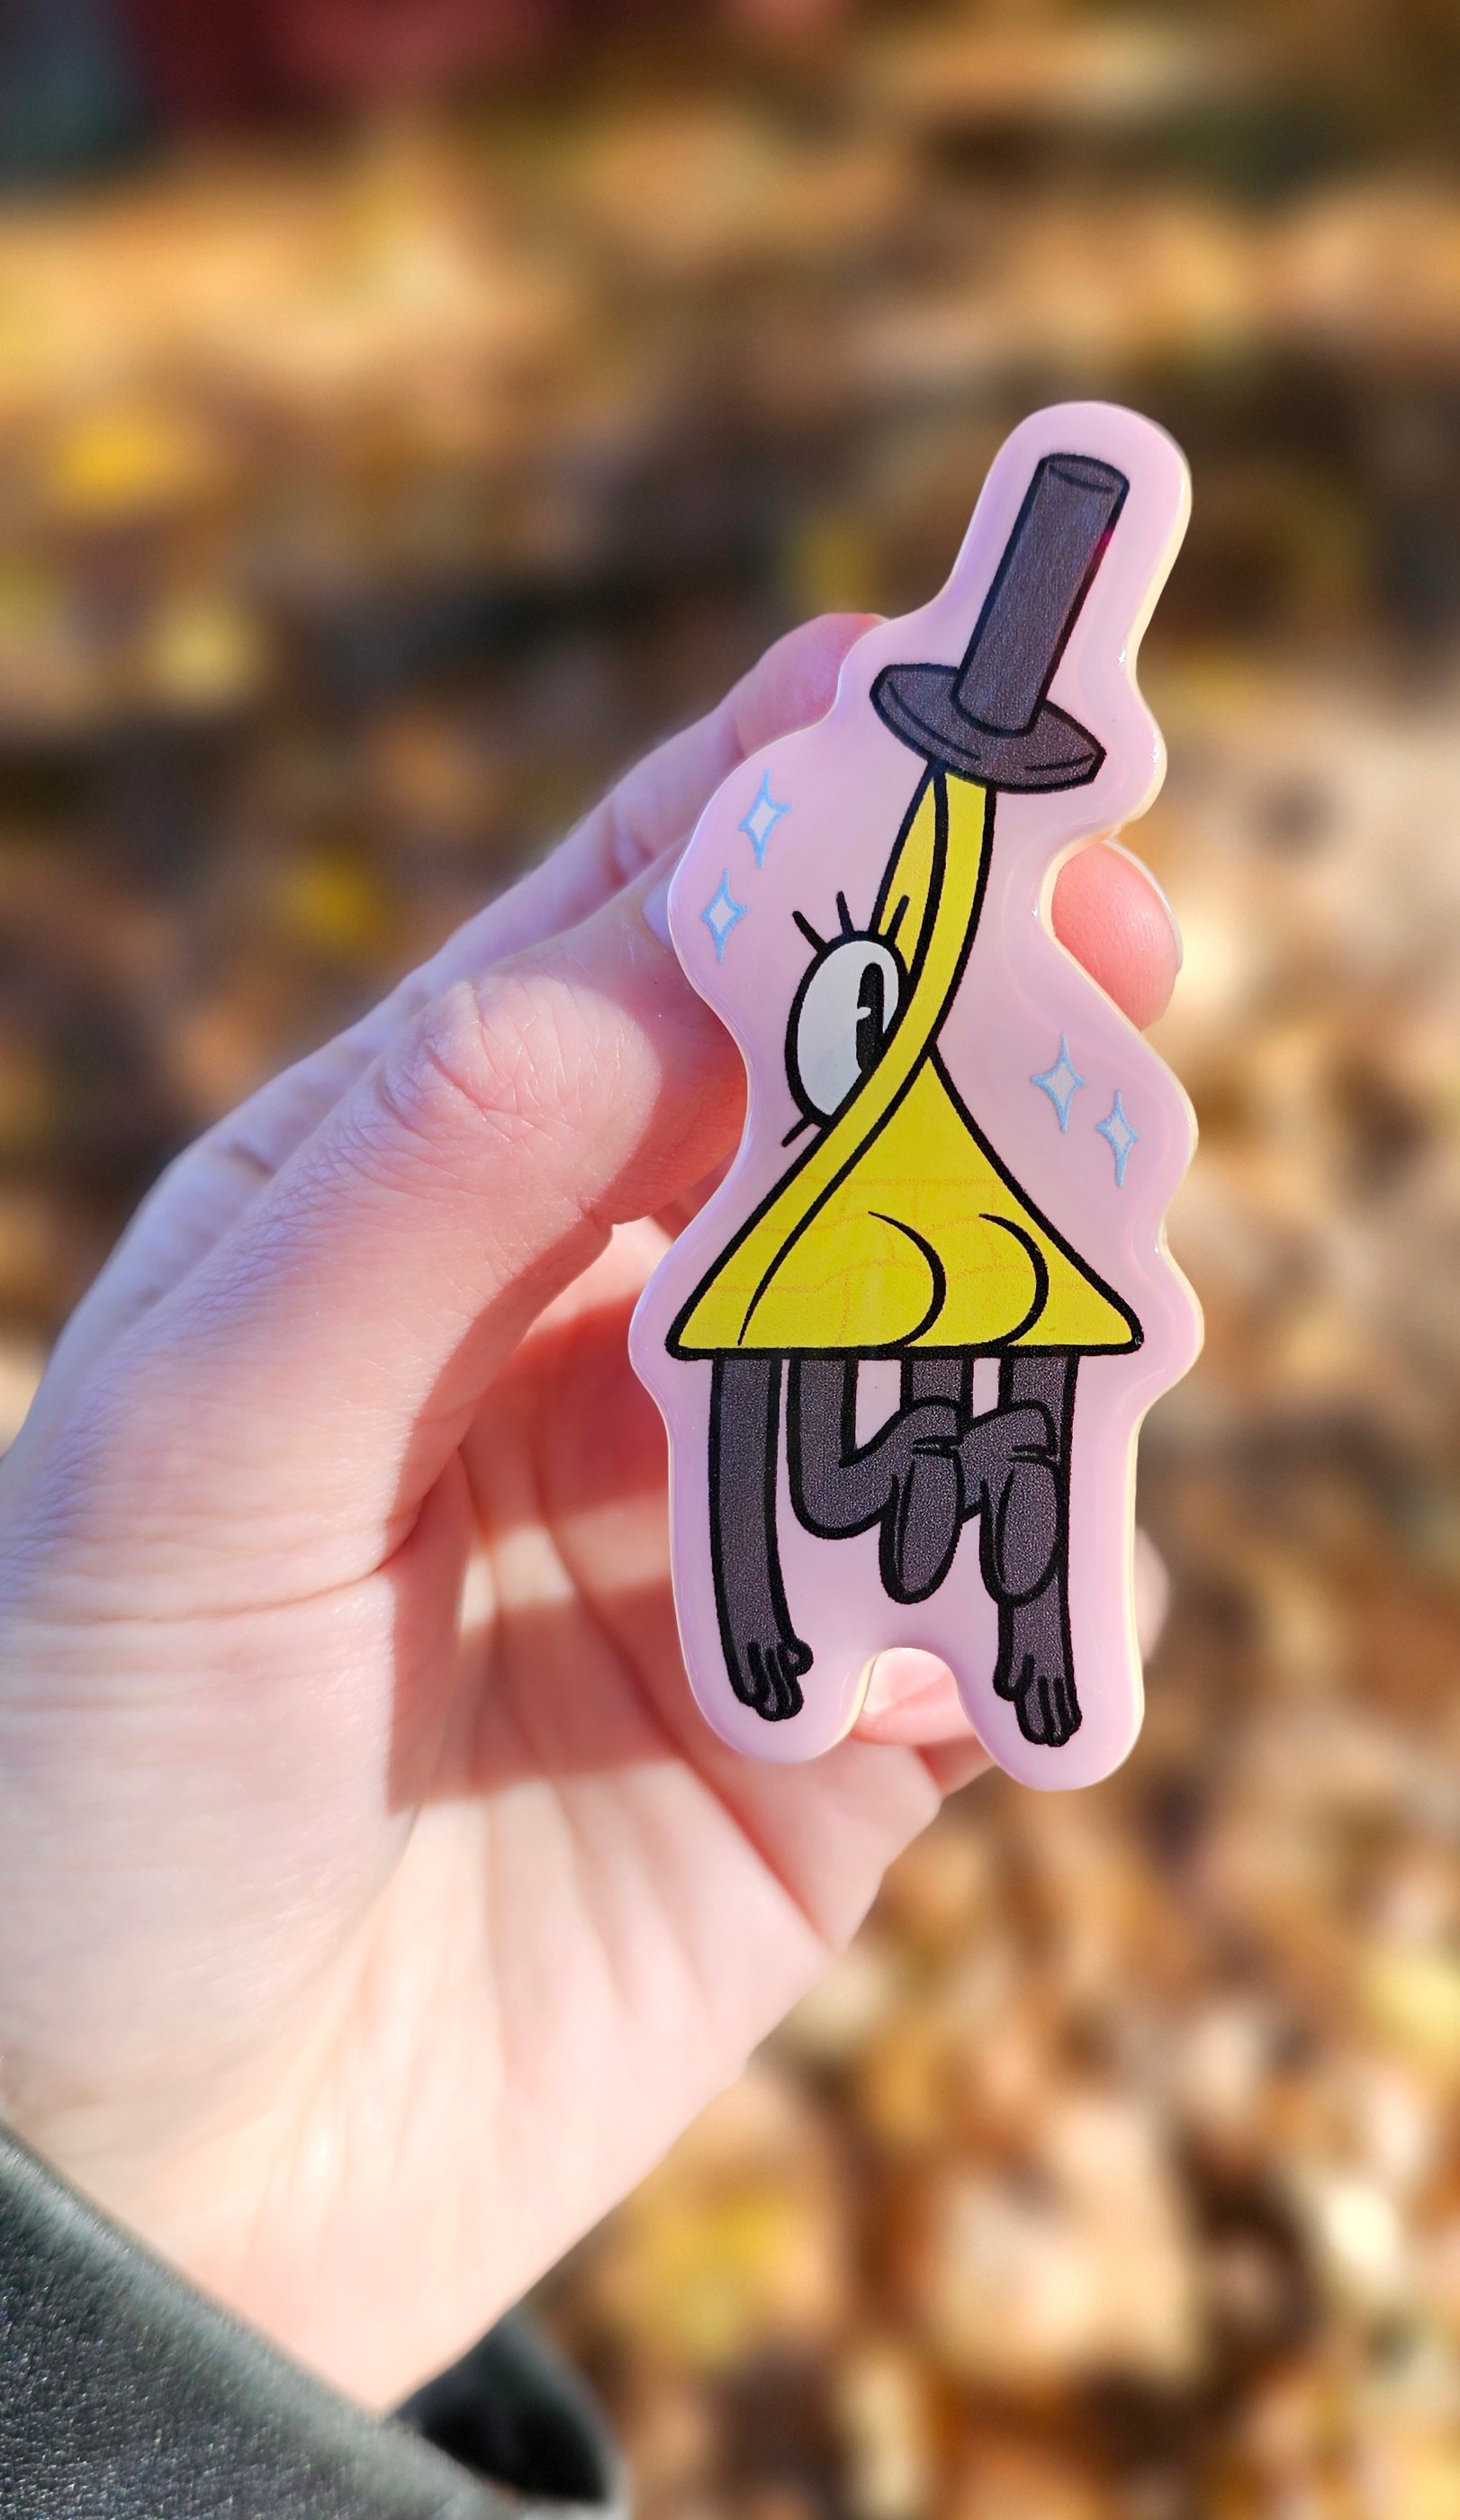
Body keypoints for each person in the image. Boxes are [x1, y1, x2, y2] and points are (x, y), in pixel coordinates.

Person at [0, 616, 1181, 2428]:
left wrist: (126, 2266)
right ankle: (929, 1609)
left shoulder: (962, 984)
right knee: (821, 1365)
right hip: (830, 1202)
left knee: (980, 1392)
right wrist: (93, 2203)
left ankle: (989, 1613)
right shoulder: (818, 926)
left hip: (938, 1209)